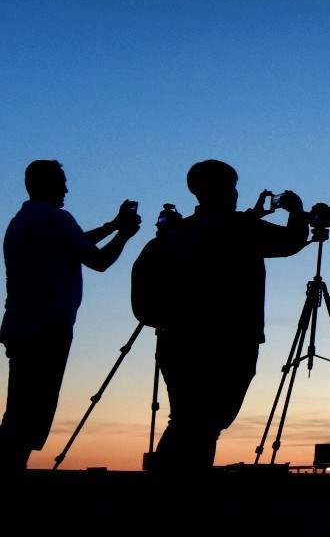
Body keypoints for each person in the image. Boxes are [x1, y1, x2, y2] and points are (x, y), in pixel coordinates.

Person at [147, 159, 309, 473]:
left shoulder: (183, 228)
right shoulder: (239, 227)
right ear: (222, 189)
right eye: (231, 186)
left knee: (185, 421)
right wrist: (296, 210)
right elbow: (291, 241)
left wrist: (253, 216)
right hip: (230, 340)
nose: (235, 193)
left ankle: (165, 494)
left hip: (177, 340)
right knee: (205, 423)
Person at [0, 160, 142, 472]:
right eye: (61, 181)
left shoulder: (24, 220)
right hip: (47, 328)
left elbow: (71, 242)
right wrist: (125, 235)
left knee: (19, 410)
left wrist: (113, 225)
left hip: (21, 324)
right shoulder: (57, 219)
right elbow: (100, 261)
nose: (66, 188)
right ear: (47, 184)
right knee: (30, 416)